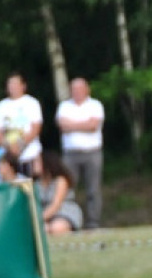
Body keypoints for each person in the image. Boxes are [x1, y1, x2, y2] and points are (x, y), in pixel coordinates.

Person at [56, 77, 105, 230]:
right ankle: (67, 222)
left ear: (86, 90)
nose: (76, 92)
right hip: (70, 154)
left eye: (79, 89)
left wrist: (73, 125)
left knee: (93, 189)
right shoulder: (64, 106)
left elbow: (93, 126)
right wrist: (84, 124)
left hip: (92, 153)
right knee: (67, 190)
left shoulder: (95, 105)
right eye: (74, 89)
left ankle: (93, 223)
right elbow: (63, 126)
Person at [0, 73, 43, 178]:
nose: (12, 87)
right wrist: (7, 146)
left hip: (30, 155)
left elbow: (36, 128)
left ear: (23, 86)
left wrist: (20, 145)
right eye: (10, 84)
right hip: (9, 158)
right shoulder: (1, 106)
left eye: (15, 84)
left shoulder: (32, 103)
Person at [36, 150, 83, 234]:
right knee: (43, 229)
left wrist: (38, 218)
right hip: (45, 213)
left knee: (56, 228)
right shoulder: (36, 182)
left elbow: (56, 205)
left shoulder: (60, 180)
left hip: (63, 211)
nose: (34, 164)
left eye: (37, 162)